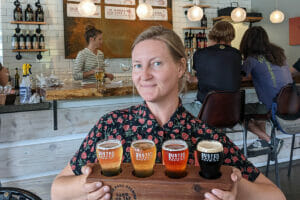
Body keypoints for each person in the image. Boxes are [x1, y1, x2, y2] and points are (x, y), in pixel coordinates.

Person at [51, 26, 285, 200]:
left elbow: (276, 196)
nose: (144, 75)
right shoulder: (112, 125)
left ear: (181, 67)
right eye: (137, 65)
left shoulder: (206, 138)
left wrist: (235, 189)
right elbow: (57, 189)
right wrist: (87, 186)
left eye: (156, 63)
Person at [240, 26, 293, 156]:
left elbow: (239, 77)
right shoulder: (279, 55)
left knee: (238, 114)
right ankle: (262, 141)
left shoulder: (251, 59)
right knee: (259, 110)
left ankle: (270, 141)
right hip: (291, 107)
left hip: (273, 108)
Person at [184, 21, 242, 117]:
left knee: (175, 109)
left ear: (212, 35)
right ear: (231, 36)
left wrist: (189, 77)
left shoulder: (200, 54)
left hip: (205, 111)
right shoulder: (237, 54)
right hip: (232, 112)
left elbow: (199, 77)